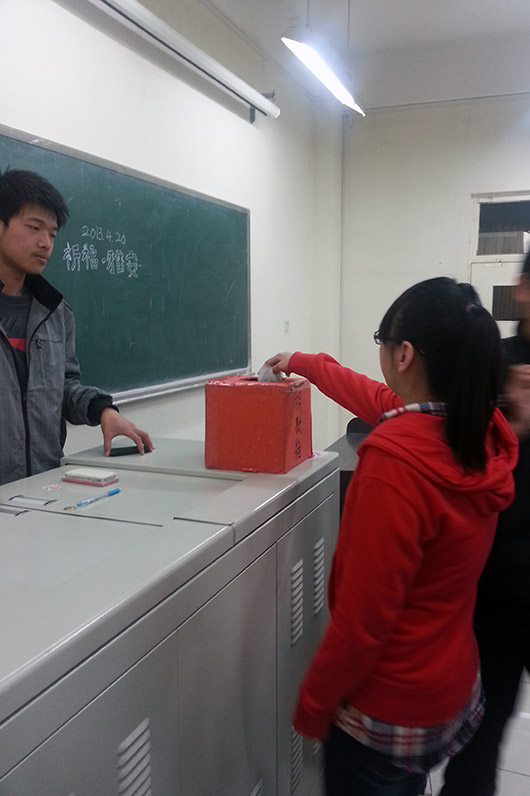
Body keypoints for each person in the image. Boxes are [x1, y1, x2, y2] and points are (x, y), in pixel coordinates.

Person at [265, 276, 518, 796]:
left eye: (382, 340)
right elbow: (374, 396)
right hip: (449, 689)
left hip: (388, 710)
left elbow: (362, 621)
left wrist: (313, 704)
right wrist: (303, 362)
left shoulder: (394, 463)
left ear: (404, 354)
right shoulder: (477, 432)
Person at [439, 252, 530, 796]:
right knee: (478, 742)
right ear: (522, 288)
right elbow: (456, 455)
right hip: (496, 593)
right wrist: (511, 422)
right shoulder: (495, 364)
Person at [0, 168, 153, 486]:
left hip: (44, 488)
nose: (45, 243)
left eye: (53, 234)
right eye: (34, 228)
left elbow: (64, 387)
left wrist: (103, 410)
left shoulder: (56, 313)